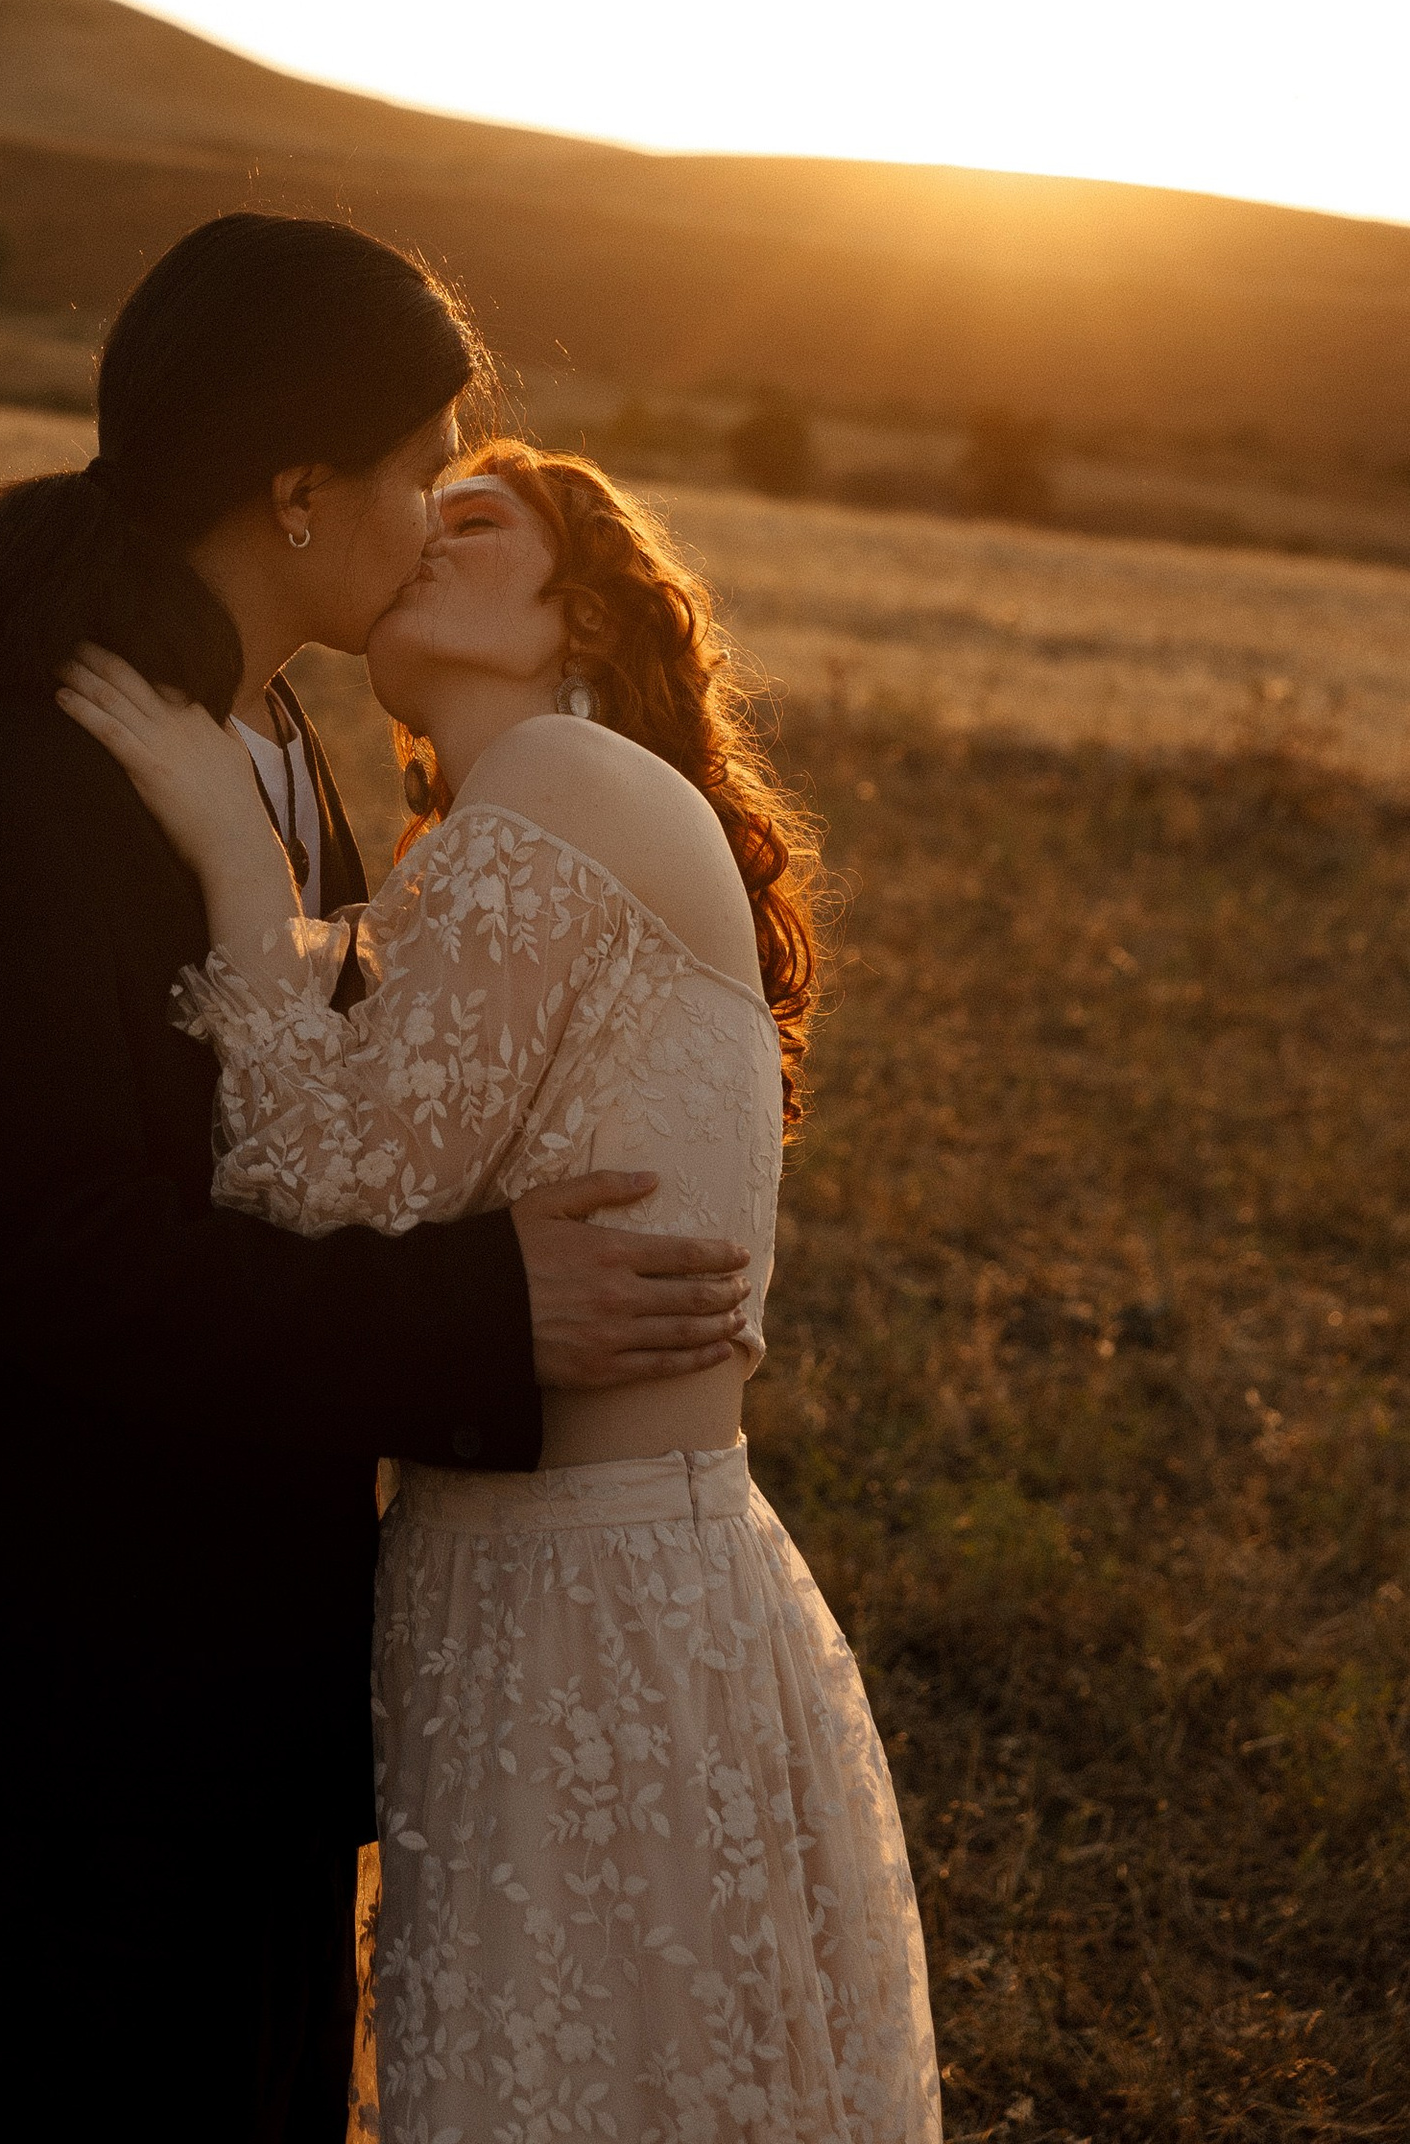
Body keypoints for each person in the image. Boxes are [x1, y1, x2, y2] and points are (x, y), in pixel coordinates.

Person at [0, 220, 758, 2142]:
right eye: (423, 454)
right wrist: (483, 1315)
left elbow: (317, 1127)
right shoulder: (37, 782)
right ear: (292, 492)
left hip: (255, 1705)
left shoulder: (268, 742)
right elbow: (55, 1256)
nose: (441, 505)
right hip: (84, 1722)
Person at [59, 442, 941, 2143]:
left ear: (583, 612)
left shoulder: (563, 779)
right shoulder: (498, 840)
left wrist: (228, 855)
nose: (425, 542)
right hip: (550, 1581)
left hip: (588, 1598)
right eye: (424, 509)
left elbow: (321, 1181)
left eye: (482, 525)